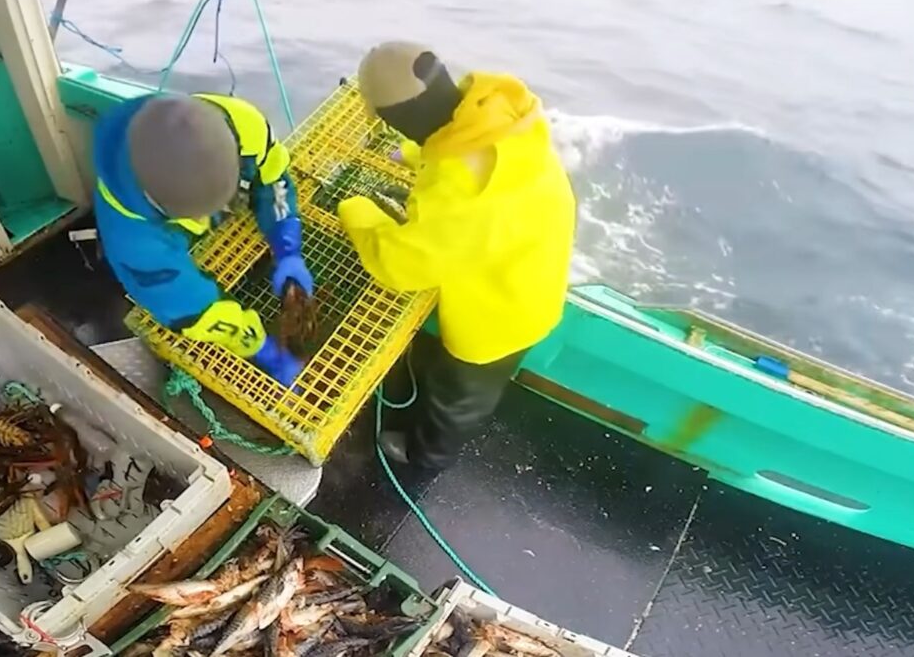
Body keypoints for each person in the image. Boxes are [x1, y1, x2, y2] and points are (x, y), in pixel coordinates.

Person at [339, 42, 576, 469]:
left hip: (500, 318)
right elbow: (459, 150)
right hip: (533, 270)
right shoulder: (500, 118)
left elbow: (399, 267)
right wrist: (417, 155)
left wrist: (355, 209)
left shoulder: (460, 195)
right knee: (460, 377)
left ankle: (428, 454)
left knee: (459, 398)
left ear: (396, 118)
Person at [93, 93, 314, 385]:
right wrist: (260, 347)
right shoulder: (132, 239)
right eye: (196, 215)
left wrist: (287, 246)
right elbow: (192, 308)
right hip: (160, 247)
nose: (208, 219)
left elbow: (273, 179)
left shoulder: (245, 125)